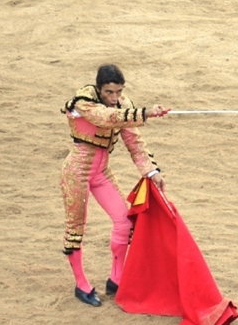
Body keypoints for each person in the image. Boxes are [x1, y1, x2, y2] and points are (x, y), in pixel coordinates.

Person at [60, 64, 169, 306]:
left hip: (101, 173)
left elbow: (134, 142)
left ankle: (116, 279)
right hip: (76, 173)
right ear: (99, 89)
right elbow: (106, 118)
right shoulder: (83, 101)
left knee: (124, 220)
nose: (114, 98)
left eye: (119, 92)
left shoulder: (124, 106)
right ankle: (81, 284)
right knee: (75, 228)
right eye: (109, 92)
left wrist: (152, 172)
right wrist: (146, 113)